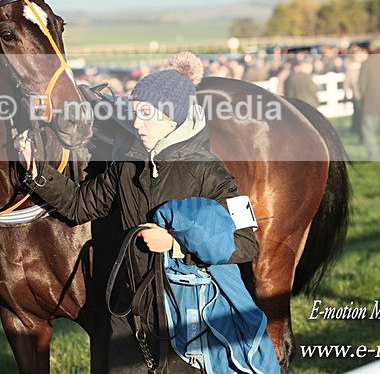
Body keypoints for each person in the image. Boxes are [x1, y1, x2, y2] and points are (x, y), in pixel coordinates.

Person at [16, 52, 278, 373]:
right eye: (133, 111)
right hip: (129, 312)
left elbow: (247, 242)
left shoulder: (211, 172)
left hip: (188, 314)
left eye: (145, 113)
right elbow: (79, 204)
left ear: (170, 118)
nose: (136, 122)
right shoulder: (126, 163)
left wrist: (177, 247)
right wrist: (35, 171)